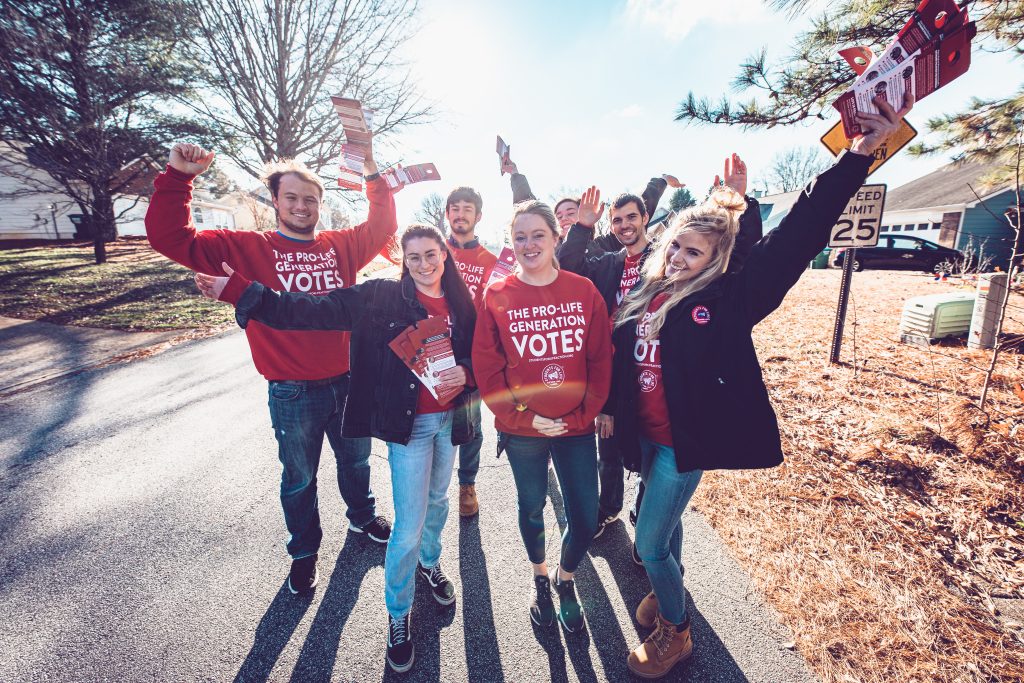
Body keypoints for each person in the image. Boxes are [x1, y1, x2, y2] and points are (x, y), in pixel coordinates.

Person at [608, 93, 913, 678]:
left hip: (681, 444)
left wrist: (857, 156)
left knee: (648, 542)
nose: (676, 257)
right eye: (673, 244)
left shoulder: (727, 302)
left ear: (716, 259)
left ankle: (677, 630)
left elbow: (798, 235)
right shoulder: (645, 295)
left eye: (692, 251)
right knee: (662, 528)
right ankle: (666, 588)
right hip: (644, 437)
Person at [195, 225, 477, 674]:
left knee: (439, 502)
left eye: (431, 254)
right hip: (411, 427)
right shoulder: (381, 297)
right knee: (408, 523)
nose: (424, 264)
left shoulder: (464, 303)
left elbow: (486, 353)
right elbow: (310, 308)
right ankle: (398, 612)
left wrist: (467, 370)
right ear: (404, 260)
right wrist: (245, 293)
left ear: (445, 254)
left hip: (451, 420)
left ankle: (430, 563)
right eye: (414, 257)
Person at [145, 141, 393, 596]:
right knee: (299, 478)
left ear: (321, 205)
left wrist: (373, 173)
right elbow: (169, 238)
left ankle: (361, 517)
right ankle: (304, 551)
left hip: (349, 382)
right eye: (292, 197)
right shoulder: (245, 248)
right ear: (275, 200)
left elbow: (383, 224)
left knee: (357, 461)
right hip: (292, 391)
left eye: (311, 199)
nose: (302, 206)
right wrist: (179, 177)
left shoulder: (341, 246)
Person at [560, 156, 762, 545]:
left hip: (661, 373)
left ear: (644, 217)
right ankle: (610, 509)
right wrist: (583, 225)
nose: (624, 226)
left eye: (631, 217)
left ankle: (646, 525)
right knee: (613, 449)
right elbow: (570, 267)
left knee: (648, 457)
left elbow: (731, 257)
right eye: (616, 220)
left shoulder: (670, 257)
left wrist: (737, 204)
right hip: (615, 373)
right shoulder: (607, 263)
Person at [472, 200, 612, 632]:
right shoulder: (496, 295)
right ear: (511, 244)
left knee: (586, 517)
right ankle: (539, 577)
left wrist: (579, 417)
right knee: (531, 506)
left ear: (556, 237)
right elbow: (487, 367)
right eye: (520, 237)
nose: (529, 244)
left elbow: (600, 360)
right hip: (523, 430)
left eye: (537, 235)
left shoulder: (583, 291)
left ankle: (564, 577)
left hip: (574, 427)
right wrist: (522, 417)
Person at [443, 186, 495, 517]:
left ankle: (467, 484)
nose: (460, 214)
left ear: (478, 216)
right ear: (447, 213)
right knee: (428, 423)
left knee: (470, 423)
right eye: (454, 208)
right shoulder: (433, 251)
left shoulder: (491, 261)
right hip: (430, 351)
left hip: (471, 355)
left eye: (467, 209)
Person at [501, 154, 682, 247]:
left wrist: (661, 181)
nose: (563, 218)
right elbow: (531, 211)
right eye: (558, 216)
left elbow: (636, 211)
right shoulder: (549, 252)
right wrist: (515, 174)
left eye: (571, 213)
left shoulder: (604, 247)